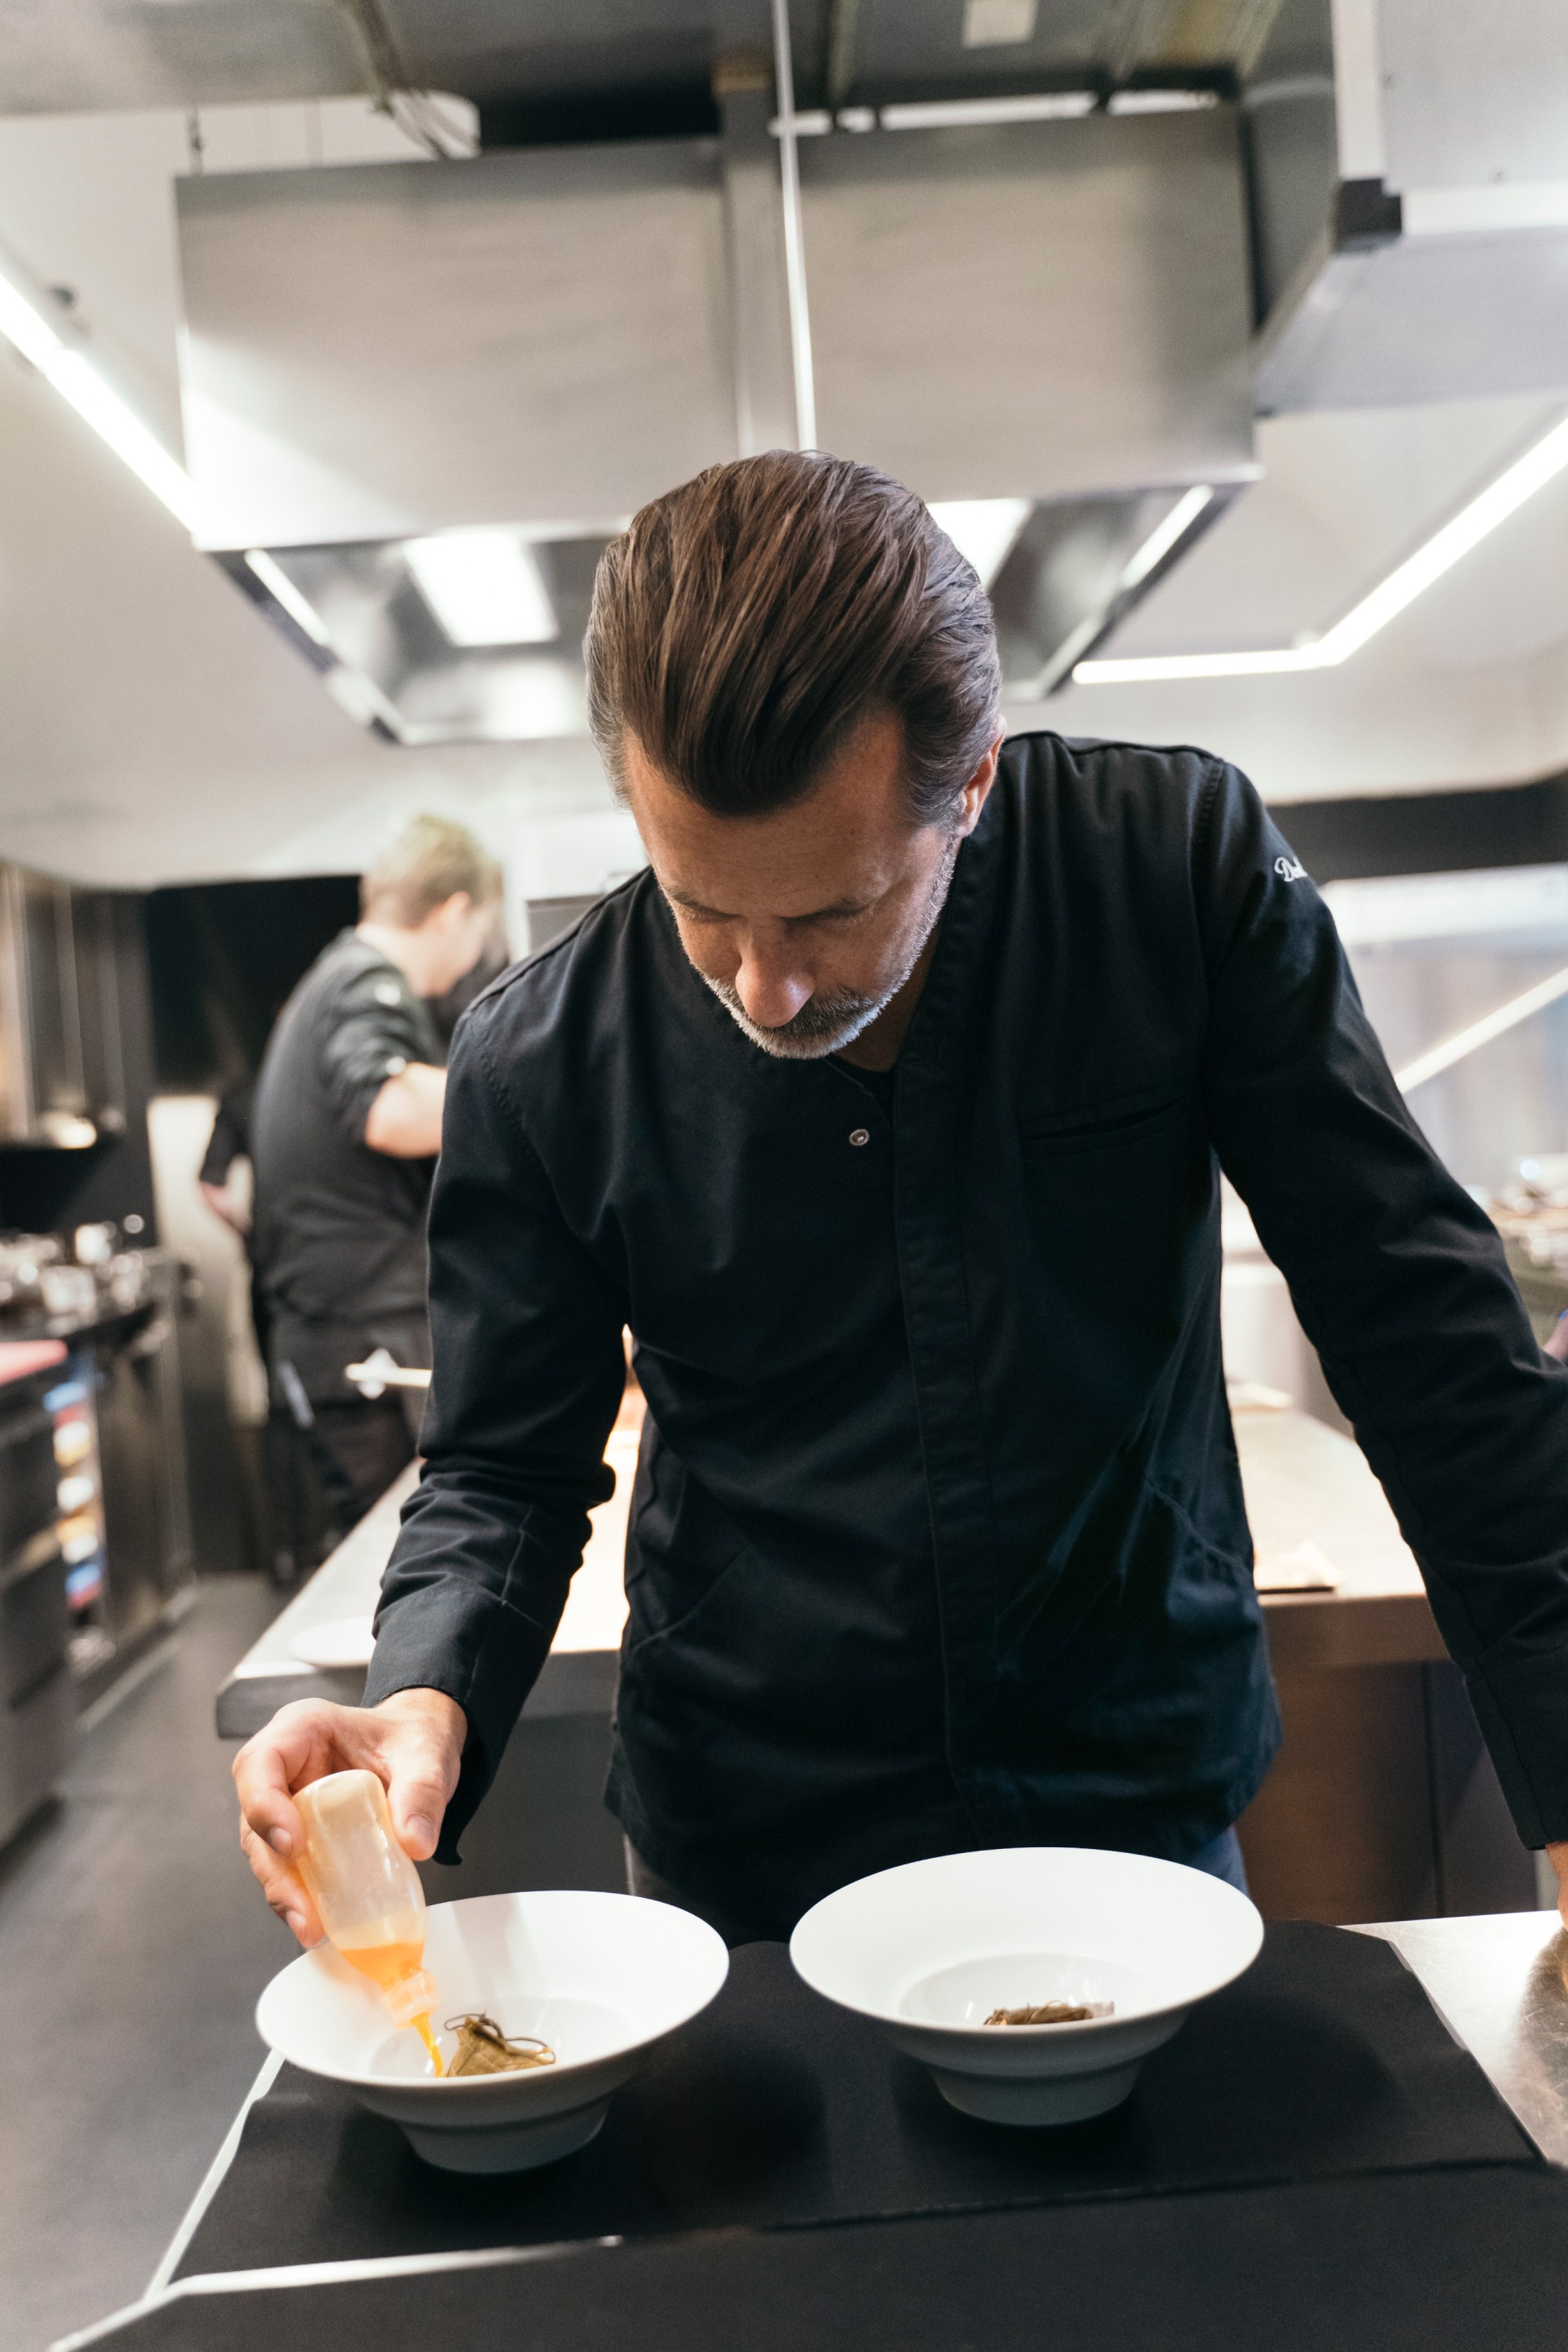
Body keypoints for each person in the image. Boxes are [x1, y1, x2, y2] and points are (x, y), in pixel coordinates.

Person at [235, 452, 1568, 1949]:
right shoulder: (540, 1056)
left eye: (831, 908)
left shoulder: (1171, 882)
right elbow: (501, 1470)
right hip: (750, 1834)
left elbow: (1421, 1327)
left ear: (975, 780)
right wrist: (420, 1691)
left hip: (1130, 1796)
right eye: (700, 907)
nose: (764, 984)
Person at [247, 815, 501, 1539]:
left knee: (394, 1564)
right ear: (455, 912)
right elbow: (388, 1109)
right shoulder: (366, 979)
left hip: (340, 1340)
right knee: (408, 1563)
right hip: (365, 1349)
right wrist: (531, 1094)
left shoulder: (331, 978)